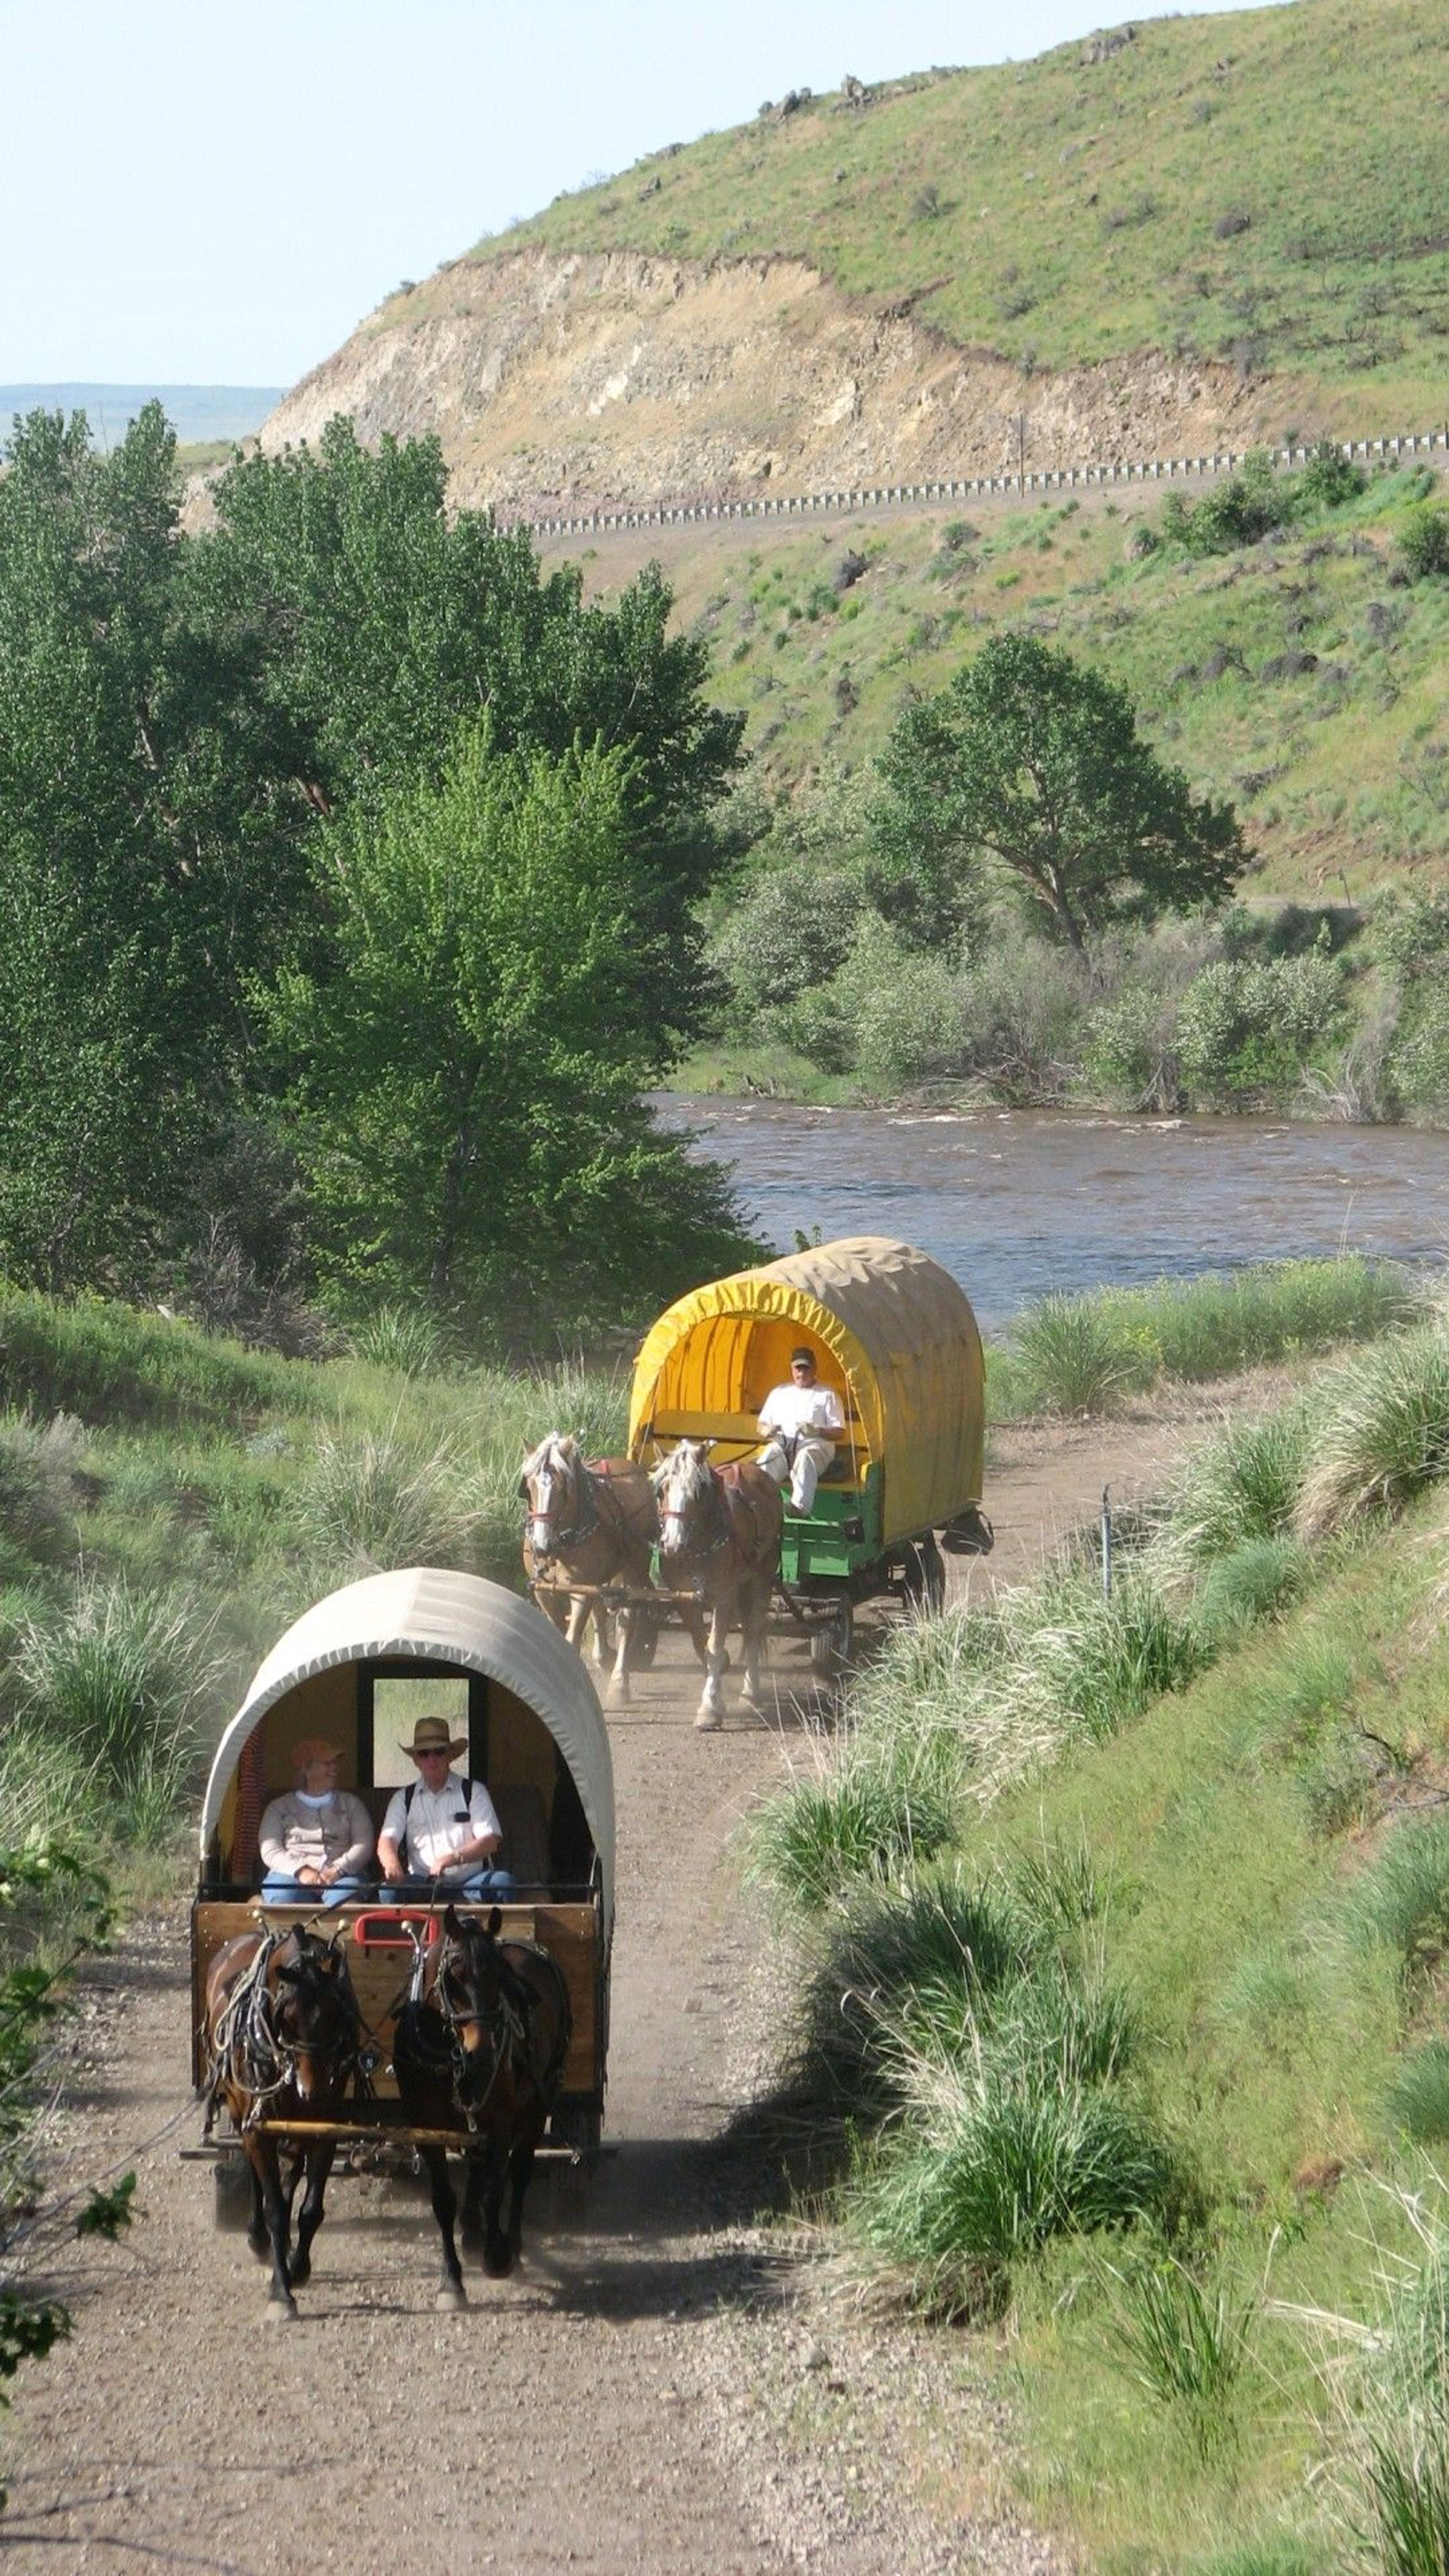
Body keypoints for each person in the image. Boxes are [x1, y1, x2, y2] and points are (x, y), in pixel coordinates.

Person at [376, 1715, 517, 1901]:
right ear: (416, 1760)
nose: (432, 1758)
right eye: (424, 1753)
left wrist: (454, 1858)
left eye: (439, 1751)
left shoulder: (474, 1791)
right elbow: (387, 1840)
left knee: (503, 1883)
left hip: (471, 1882)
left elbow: (490, 1841)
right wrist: (391, 1863)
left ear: (450, 1755)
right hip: (423, 1884)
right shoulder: (403, 1798)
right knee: (389, 1891)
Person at [258, 1738, 374, 1905]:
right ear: (306, 1768)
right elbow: (270, 1850)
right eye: (328, 1764)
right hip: (290, 1877)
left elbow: (364, 1845)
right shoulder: (278, 1808)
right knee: (283, 1896)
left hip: (343, 1878)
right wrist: (300, 1871)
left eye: (335, 1763)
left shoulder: (352, 1804)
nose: (335, 1768)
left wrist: (338, 1869)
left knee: (344, 1901)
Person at [757, 1345, 846, 1516]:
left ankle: (799, 1508)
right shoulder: (779, 1393)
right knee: (768, 1458)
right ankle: (760, 1504)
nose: (802, 1373)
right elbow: (761, 1425)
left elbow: (840, 1432)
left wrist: (817, 1431)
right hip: (784, 1445)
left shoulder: (828, 1394)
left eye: (806, 1369)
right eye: (798, 1369)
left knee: (806, 1458)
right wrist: (767, 1430)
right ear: (792, 1369)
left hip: (816, 1446)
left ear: (815, 1369)